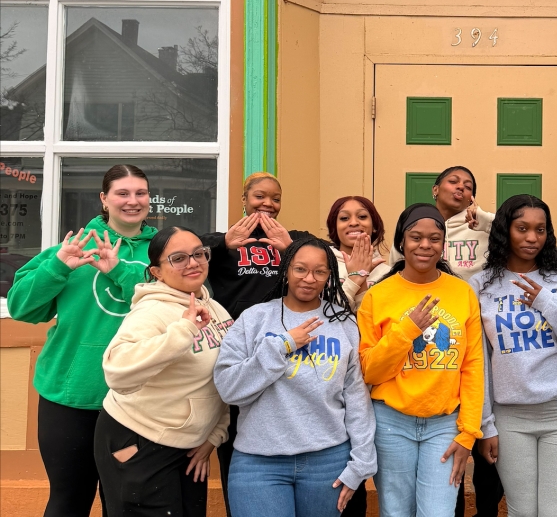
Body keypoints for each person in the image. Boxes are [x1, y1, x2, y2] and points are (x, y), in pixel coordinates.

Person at [7, 164, 157, 517]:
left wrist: (121, 269)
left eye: (141, 193)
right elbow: (21, 307)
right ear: (104, 199)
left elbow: (186, 300)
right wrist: (57, 267)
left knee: (125, 503)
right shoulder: (74, 247)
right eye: (122, 193)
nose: (132, 201)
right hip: (69, 396)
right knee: (68, 500)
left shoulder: (163, 252)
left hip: (139, 400)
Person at [214, 237, 377, 517]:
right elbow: (229, 389)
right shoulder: (254, 319)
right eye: (300, 269)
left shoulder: (343, 322)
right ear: (286, 270)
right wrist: (283, 345)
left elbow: (356, 398)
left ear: (329, 276)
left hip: (327, 461)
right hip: (258, 462)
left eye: (319, 271)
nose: (309, 278)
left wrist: (362, 462)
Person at [471, 195, 557, 517]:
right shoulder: (481, 286)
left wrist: (547, 301)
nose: (532, 238)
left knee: (555, 512)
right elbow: (480, 363)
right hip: (509, 417)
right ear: (504, 231)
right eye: (522, 228)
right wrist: (486, 425)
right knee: (522, 512)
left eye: (540, 230)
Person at [201, 172, 320, 513]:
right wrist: (224, 243)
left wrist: (289, 249)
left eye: (276, 198)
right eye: (260, 197)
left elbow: (321, 262)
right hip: (237, 351)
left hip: (287, 347)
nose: (268, 204)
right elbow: (186, 254)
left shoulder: (295, 239)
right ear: (244, 199)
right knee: (233, 430)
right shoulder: (222, 244)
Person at [94, 226, 231, 517]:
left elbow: (224, 380)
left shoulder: (217, 310)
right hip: (140, 440)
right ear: (156, 272)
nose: (193, 263)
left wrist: (213, 437)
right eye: (178, 258)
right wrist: (183, 331)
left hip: (189, 446)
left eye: (198, 254)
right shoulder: (151, 312)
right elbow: (117, 371)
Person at [390, 166, 503, 517]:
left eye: (469, 184)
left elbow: (515, 228)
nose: (462, 188)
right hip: (424, 353)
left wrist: (483, 218)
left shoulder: (482, 226)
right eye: (455, 181)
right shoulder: (413, 230)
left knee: (483, 431)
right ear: (436, 189)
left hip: (478, 333)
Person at [358, 203, 485, 517]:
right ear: (402, 241)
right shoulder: (378, 295)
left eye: (434, 238)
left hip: (445, 424)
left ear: (444, 245)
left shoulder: (462, 292)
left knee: (438, 513)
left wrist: (468, 432)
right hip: (390, 423)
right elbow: (370, 371)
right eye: (416, 237)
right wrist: (408, 330)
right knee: (395, 512)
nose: (425, 245)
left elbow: (472, 366)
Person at [326, 195, 392, 310]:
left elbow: (375, 319)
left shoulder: (388, 274)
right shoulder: (323, 266)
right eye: (344, 218)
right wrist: (354, 279)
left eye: (362, 216)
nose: (353, 223)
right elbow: (328, 316)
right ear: (334, 227)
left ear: (374, 226)